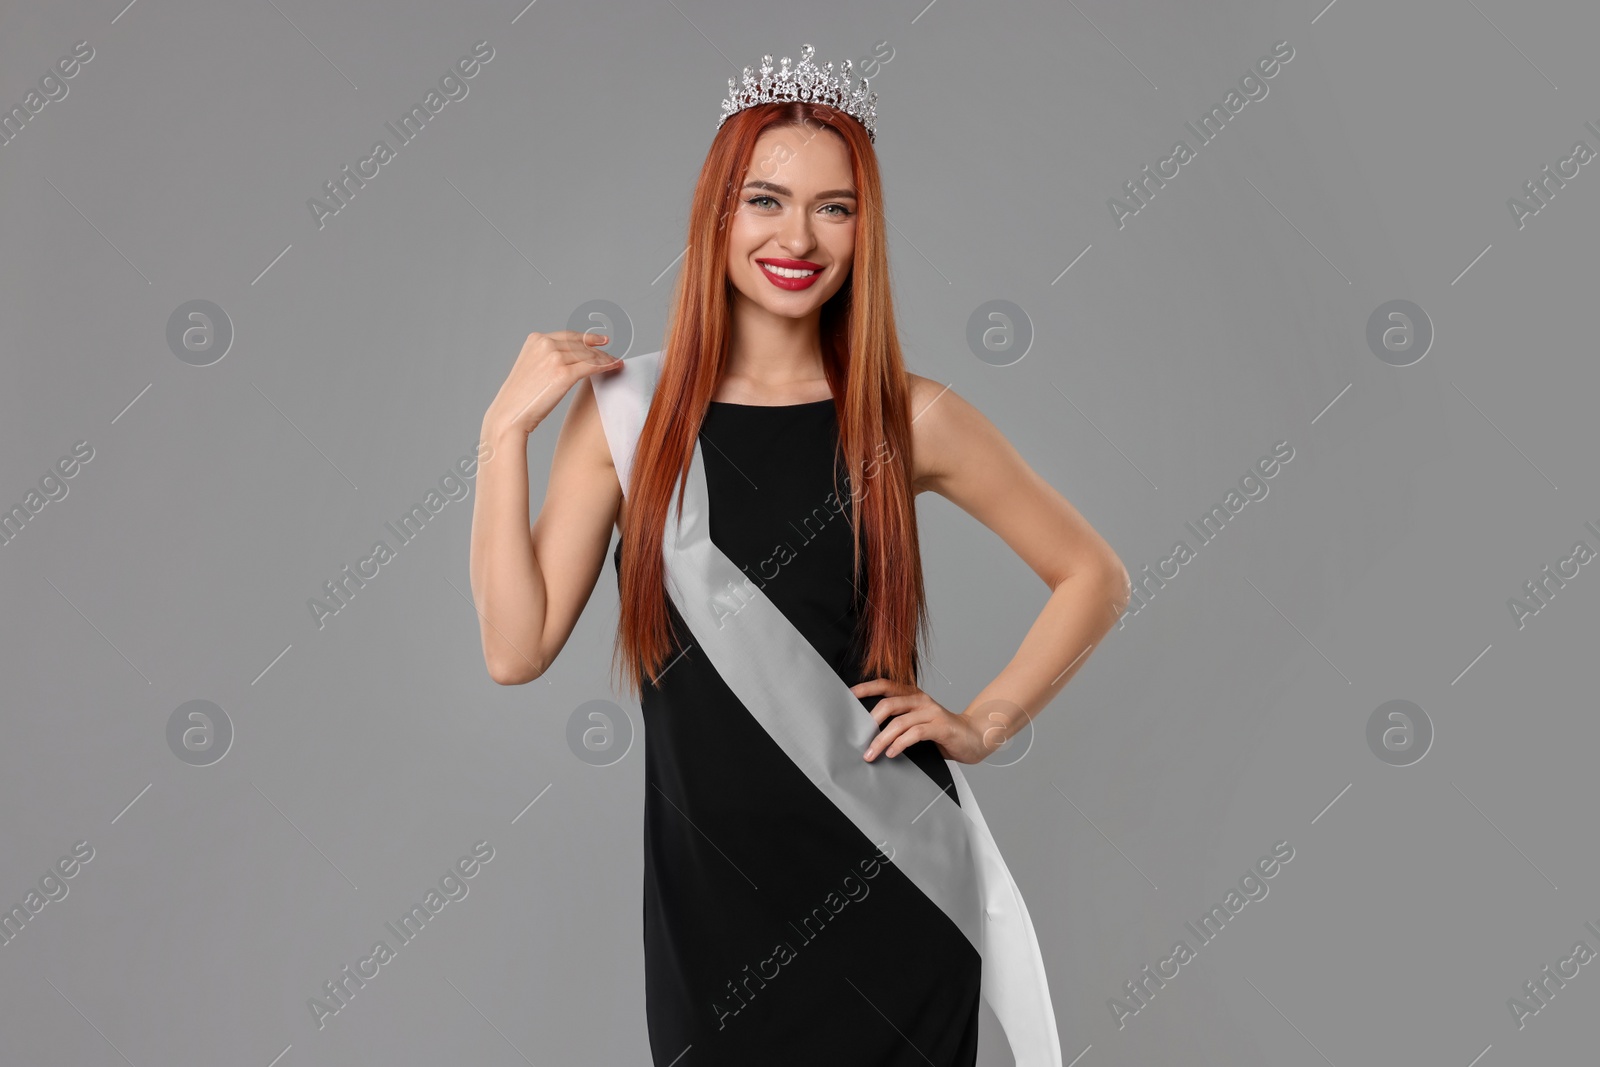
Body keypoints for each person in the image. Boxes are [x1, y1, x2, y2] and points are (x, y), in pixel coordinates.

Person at [469, 43, 1129, 1066]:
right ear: (718, 213)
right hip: (710, 920)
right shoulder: (622, 418)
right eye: (766, 199)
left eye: (834, 207)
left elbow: (1093, 573)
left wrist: (986, 719)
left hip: (893, 885)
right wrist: (499, 434)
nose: (797, 236)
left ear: (864, 229)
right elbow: (516, 648)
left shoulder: (909, 416)